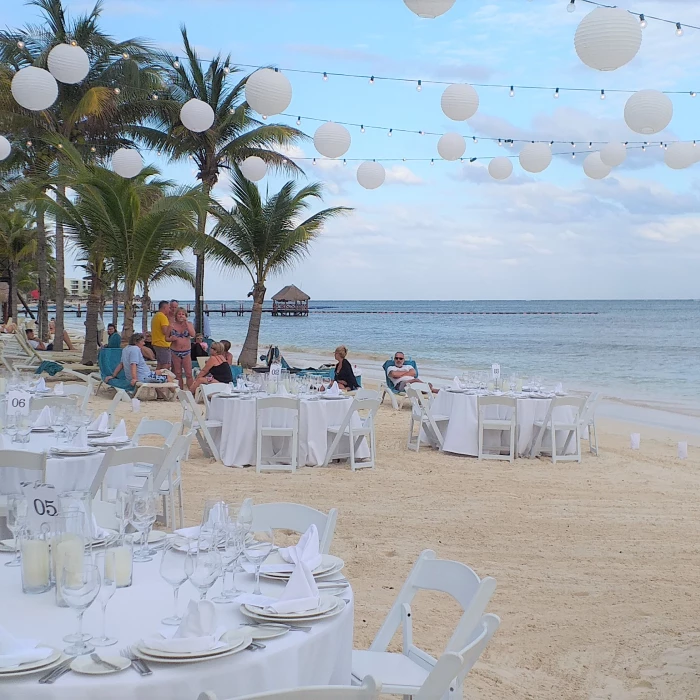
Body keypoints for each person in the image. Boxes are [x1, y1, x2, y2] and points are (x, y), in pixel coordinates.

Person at [104, 332, 169, 390]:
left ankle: (161, 395)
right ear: (136, 342)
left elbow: (121, 364)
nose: (144, 343)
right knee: (168, 377)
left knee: (160, 372)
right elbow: (133, 364)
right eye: (142, 341)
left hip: (144, 374)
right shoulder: (135, 349)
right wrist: (134, 378)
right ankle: (175, 396)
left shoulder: (125, 349)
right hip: (143, 377)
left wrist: (113, 376)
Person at [166, 308, 196, 390]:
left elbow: (193, 334)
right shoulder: (172, 325)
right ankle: (180, 391)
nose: (181, 316)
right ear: (176, 315)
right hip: (175, 351)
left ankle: (192, 391)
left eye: (183, 314)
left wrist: (186, 322)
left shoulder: (189, 324)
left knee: (189, 373)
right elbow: (166, 338)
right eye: (179, 314)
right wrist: (171, 339)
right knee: (178, 373)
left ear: (186, 315)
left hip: (186, 351)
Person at [151, 300, 171, 370]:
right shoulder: (162, 317)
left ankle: (157, 378)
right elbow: (165, 331)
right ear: (164, 308)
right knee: (166, 364)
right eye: (169, 308)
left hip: (156, 342)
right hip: (162, 344)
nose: (169, 309)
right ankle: (162, 378)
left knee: (160, 364)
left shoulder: (156, 316)